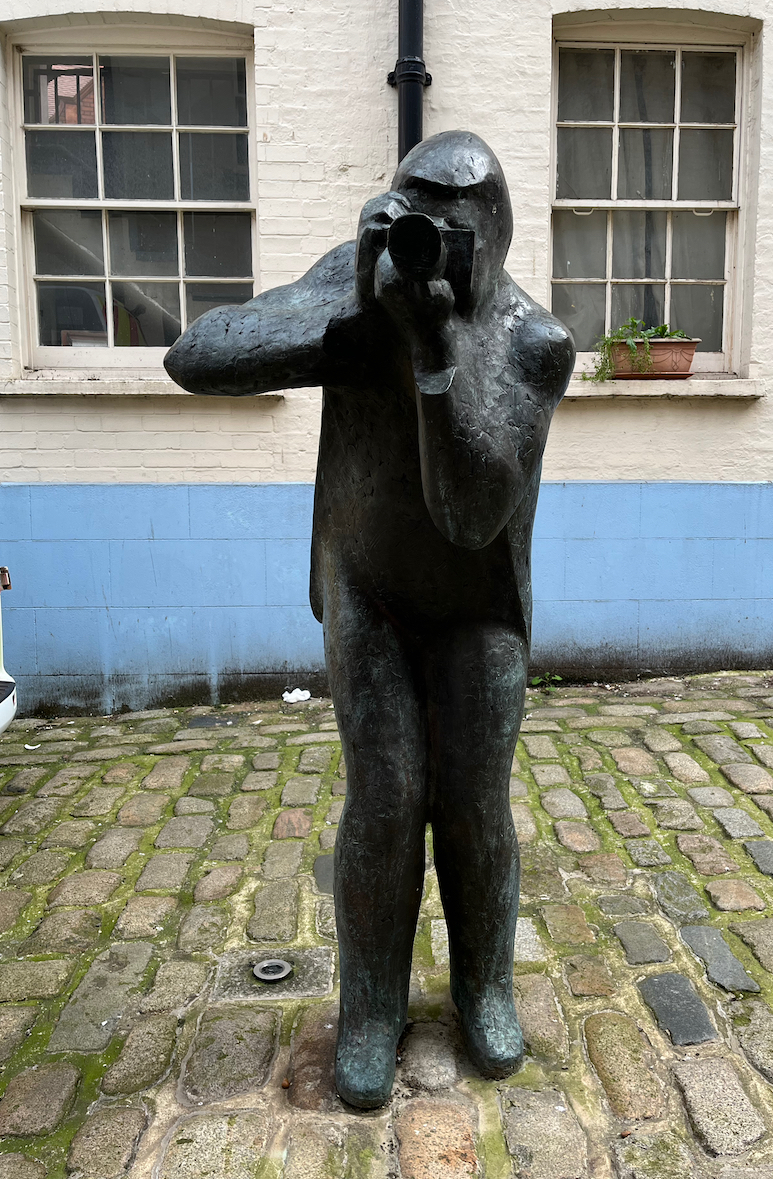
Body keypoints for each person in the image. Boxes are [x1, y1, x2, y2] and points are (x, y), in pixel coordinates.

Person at [164, 130, 575, 1108]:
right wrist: (352, 308)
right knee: (385, 798)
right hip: (370, 590)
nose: (431, 248)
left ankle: (482, 988)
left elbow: (471, 511)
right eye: (416, 220)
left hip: (480, 608)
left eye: (452, 230)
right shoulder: (357, 293)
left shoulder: (532, 342)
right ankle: (371, 1006)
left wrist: (431, 352)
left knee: (472, 803)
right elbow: (197, 355)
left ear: (491, 237)